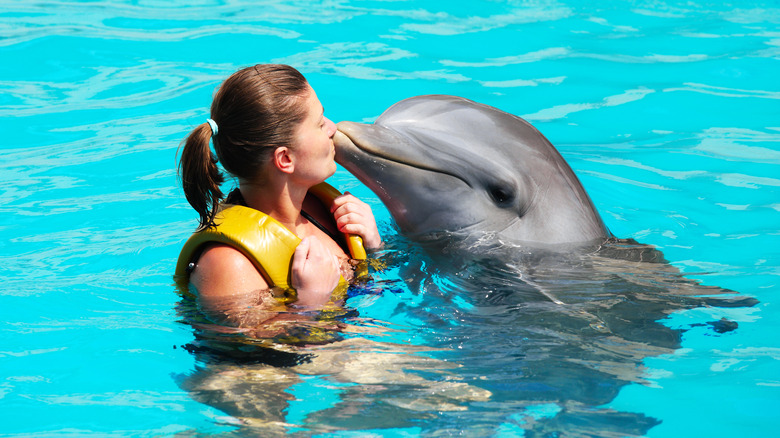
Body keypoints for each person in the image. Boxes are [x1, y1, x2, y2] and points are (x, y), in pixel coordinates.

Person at [176, 64, 381, 328]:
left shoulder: (322, 211)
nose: (332, 128)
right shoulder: (227, 264)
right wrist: (310, 303)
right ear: (285, 158)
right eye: (319, 123)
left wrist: (374, 246)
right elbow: (241, 360)